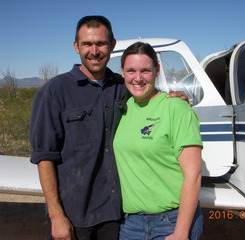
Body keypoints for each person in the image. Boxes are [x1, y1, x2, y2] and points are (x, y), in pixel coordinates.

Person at [29, 16, 187, 240]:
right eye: (87, 44)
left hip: (114, 215)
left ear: (112, 45)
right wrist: (56, 216)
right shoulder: (54, 92)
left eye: (101, 44)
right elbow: (44, 156)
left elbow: (147, 92)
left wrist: (175, 97)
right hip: (74, 215)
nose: (94, 51)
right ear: (76, 47)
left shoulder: (122, 86)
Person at [113, 42, 203, 240]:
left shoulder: (176, 109)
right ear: (122, 72)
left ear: (157, 70)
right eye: (131, 71)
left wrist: (180, 232)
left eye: (145, 70)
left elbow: (194, 176)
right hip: (130, 224)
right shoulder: (123, 108)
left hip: (171, 222)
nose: (138, 78)